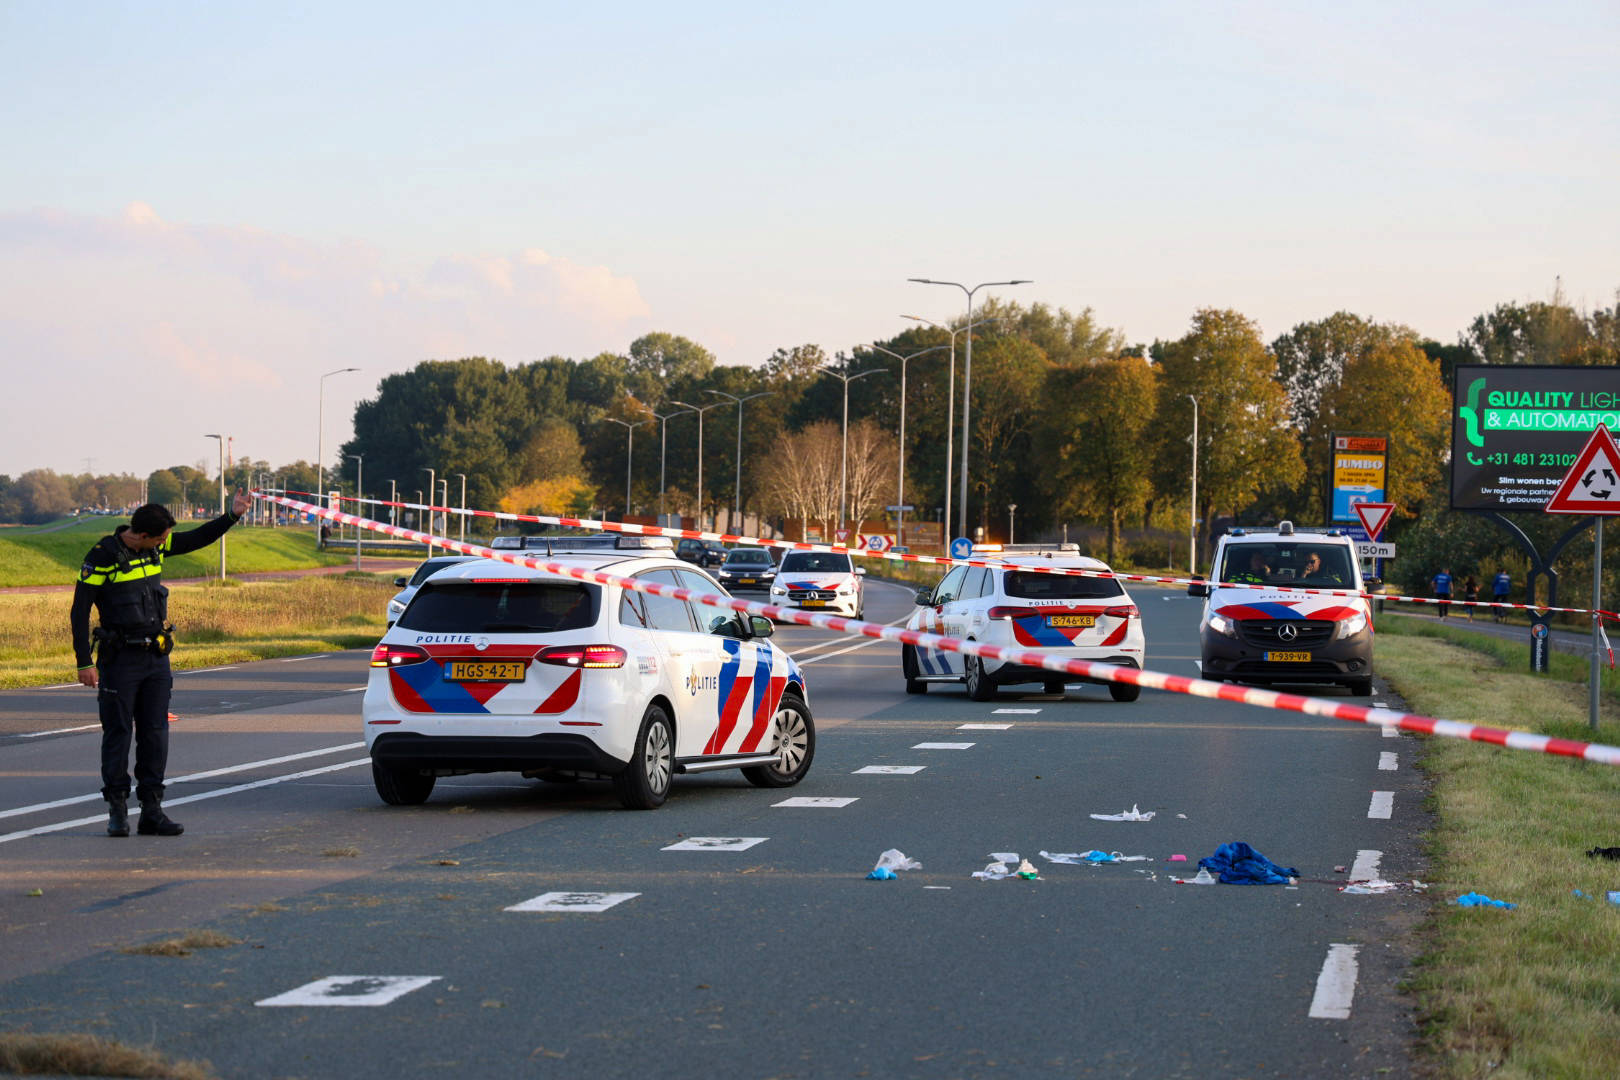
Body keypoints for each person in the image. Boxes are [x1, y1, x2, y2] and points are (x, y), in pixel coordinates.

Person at [71, 492, 252, 837]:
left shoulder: (157, 546)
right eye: (161, 537)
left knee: (155, 734)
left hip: (155, 658)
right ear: (141, 535)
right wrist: (84, 661)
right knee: (118, 733)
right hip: (119, 660)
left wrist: (232, 515)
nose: (165, 543)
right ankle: (117, 811)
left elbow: (197, 538)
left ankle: (152, 810)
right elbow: (79, 611)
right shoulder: (103, 556)